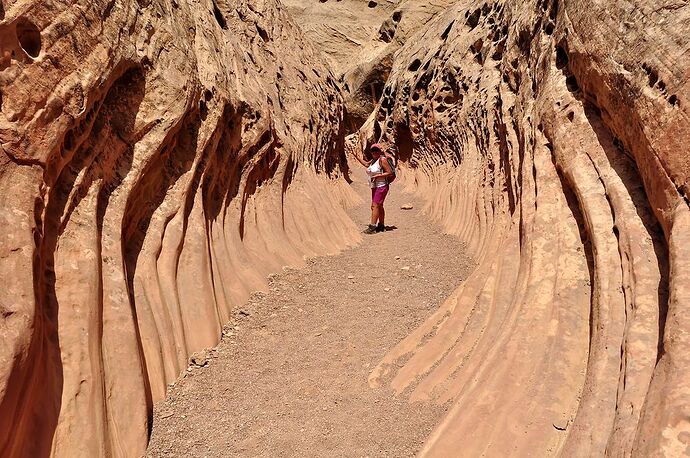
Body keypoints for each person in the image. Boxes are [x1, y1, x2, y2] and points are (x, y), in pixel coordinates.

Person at [352, 143, 395, 234]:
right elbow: (366, 164)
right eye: (373, 150)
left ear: (380, 151)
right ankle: (381, 225)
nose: (374, 152)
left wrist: (379, 176)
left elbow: (389, 172)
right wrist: (357, 157)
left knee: (374, 205)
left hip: (382, 186)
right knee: (379, 205)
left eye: (376, 150)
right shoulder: (373, 160)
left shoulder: (382, 160)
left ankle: (372, 227)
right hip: (375, 186)